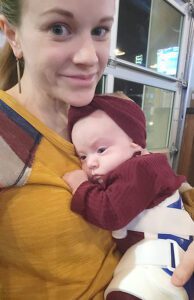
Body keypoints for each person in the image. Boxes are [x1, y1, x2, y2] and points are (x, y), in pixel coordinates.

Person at [0, 0, 193, 299]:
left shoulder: (103, 115)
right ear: (13, 34)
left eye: (100, 30)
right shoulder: (6, 133)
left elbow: (160, 183)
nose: (90, 57)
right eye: (59, 28)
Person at [64, 94, 194, 300]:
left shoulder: (141, 167)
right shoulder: (134, 166)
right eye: (83, 156)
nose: (91, 163)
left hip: (162, 260)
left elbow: (110, 212)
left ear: (135, 144)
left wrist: (80, 184)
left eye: (101, 149)